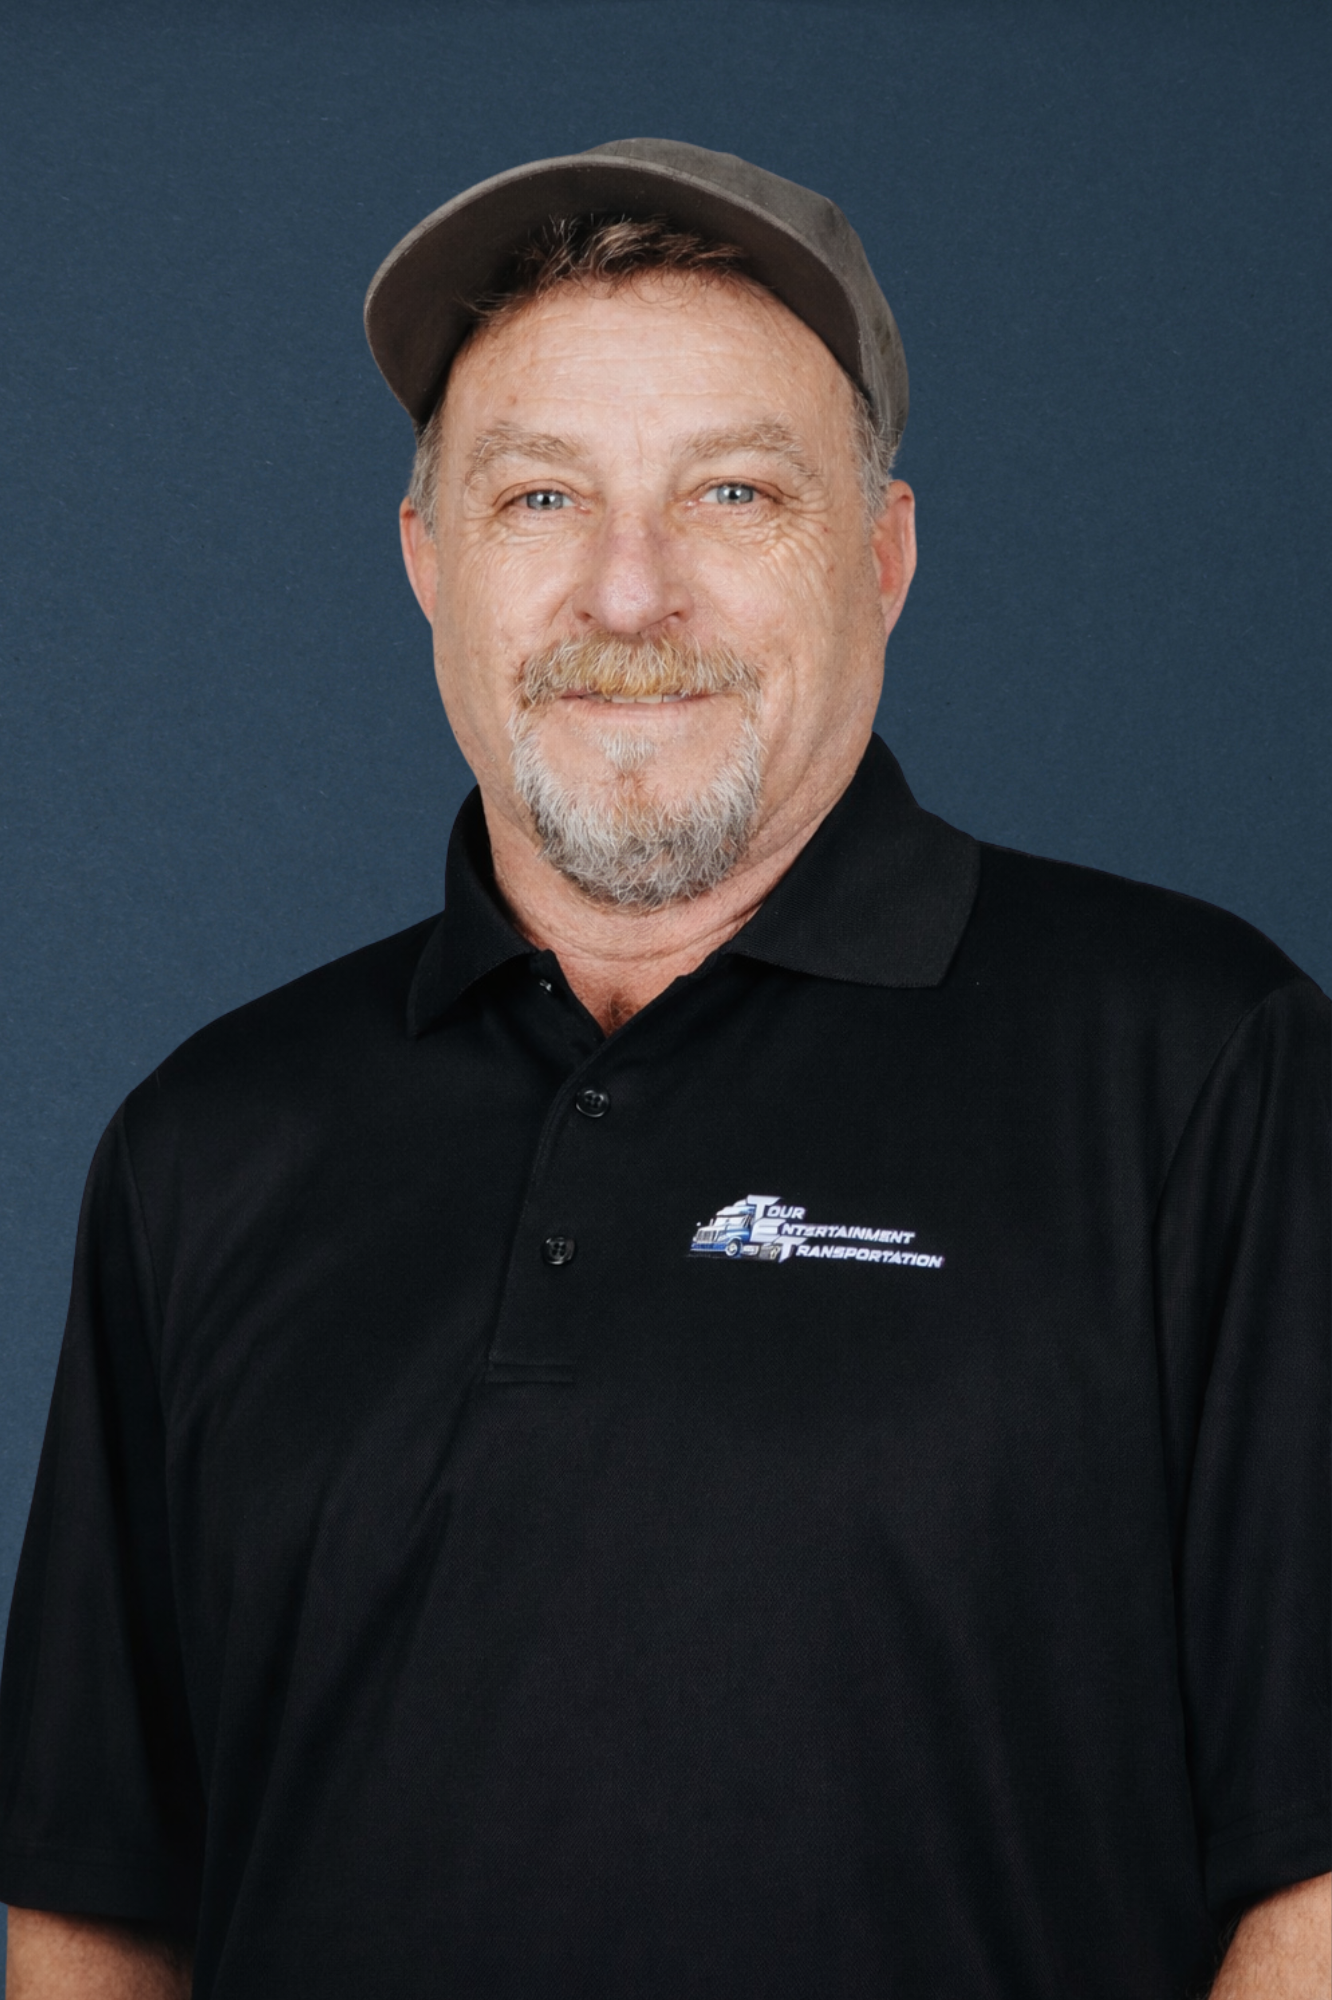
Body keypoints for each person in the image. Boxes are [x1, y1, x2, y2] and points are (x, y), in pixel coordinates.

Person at [1, 139, 1327, 2000]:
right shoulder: (208, 1146)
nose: (628, 596)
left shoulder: (1201, 1068)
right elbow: (89, 1900)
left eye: (733, 493)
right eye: (540, 495)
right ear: (429, 563)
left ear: (883, 559)